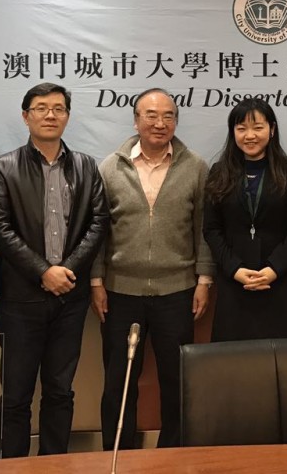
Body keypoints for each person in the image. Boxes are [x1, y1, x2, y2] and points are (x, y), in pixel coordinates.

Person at [0, 83, 109, 456]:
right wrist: (43, 271)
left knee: (60, 391)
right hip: (21, 301)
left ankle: (55, 464)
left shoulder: (87, 166)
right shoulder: (3, 167)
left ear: (68, 116)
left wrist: (67, 270)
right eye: (41, 108)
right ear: (26, 116)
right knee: (16, 396)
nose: (50, 115)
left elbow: (99, 221)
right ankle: (12, 465)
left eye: (58, 108)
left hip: (70, 300)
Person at [93, 88, 215, 449]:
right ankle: (118, 454)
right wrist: (96, 281)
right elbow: (98, 230)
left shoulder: (195, 166)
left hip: (176, 292)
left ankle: (173, 454)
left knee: (177, 379)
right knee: (119, 380)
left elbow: (203, 228)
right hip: (119, 292)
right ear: (136, 120)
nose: (160, 123)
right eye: (151, 115)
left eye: (168, 116)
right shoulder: (110, 167)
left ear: (176, 121)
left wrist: (204, 279)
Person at [204, 97, 287, 342]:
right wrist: (235, 269)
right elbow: (211, 229)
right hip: (235, 281)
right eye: (241, 129)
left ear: (272, 130)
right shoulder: (219, 173)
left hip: (279, 279)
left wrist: (274, 268)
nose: (249, 135)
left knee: (285, 361)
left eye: (258, 127)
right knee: (235, 363)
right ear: (233, 133)